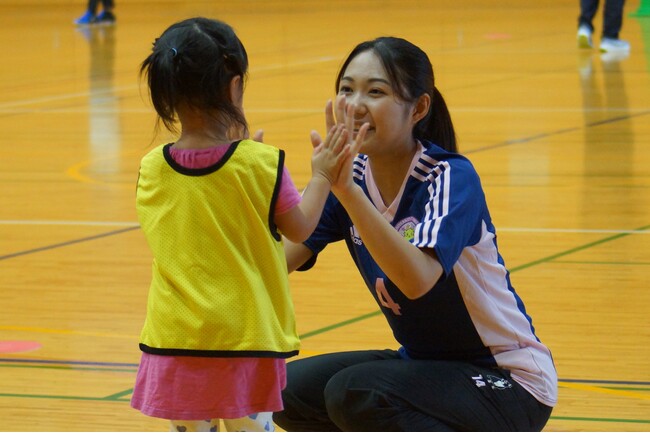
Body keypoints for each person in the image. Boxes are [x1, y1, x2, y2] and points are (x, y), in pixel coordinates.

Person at [272, 36, 558, 432]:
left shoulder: (449, 176)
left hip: (508, 381)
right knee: (284, 393)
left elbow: (417, 280)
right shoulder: (350, 178)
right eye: (346, 89)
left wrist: (347, 192)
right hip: (425, 367)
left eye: (375, 92)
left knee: (355, 393)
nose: (355, 105)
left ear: (419, 108)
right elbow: (273, 263)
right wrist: (244, 194)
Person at [131, 17, 352, 432]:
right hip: (244, 341)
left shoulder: (150, 168)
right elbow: (301, 228)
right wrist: (323, 175)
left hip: (174, 341)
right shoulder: (260, 164)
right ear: (234, 87)